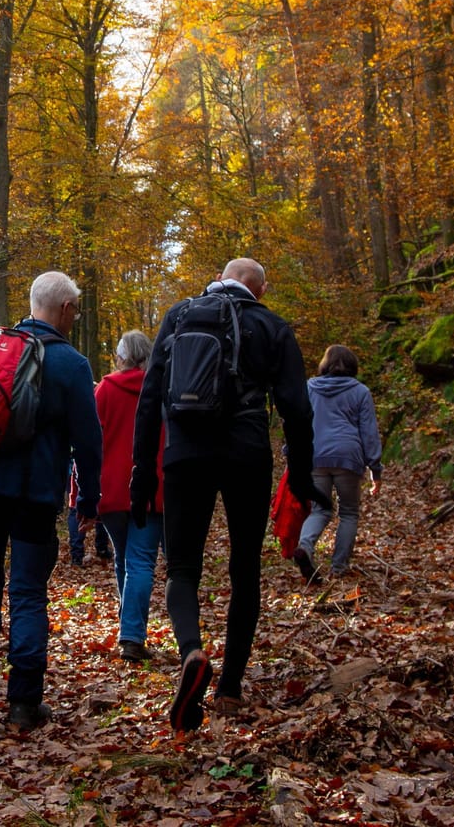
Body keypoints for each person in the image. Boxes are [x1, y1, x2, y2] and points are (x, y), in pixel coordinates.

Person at [133, 258, 314, 733]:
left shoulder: (179, 315)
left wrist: (141, 472)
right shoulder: (272, 324)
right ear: (261, 287)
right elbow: (297, 407)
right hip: (246, 455)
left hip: (184, 454)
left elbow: (150, 398)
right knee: (244, 569)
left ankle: (192, 650)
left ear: (218, 276)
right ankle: (230, 685)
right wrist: (299, 472)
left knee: (182, 567)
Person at [0, 271, 104, 731]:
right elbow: (89, 441)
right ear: (63, 309)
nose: (75, 317)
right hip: (36, 492)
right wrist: (89, 500)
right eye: (75, 309)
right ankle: (23, 701)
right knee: (27, 591)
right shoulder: (72, 364)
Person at [96, 329, 162, 662]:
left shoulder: (105, 390)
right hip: (150, 488)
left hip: (111, 488)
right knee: (140, 562)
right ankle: (132, 633)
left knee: (125, 558)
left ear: (122, 356)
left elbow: (91, 442)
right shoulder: (160, 388)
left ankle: (129, 629)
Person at [295, 345, 382, 582]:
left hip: (315, 456)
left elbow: (298, 421)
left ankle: (305, 547)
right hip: (348, 457)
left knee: (320, 509)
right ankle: (338, 567)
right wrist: (375, 468)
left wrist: (292, 452)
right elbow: (369, 432)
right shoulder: (360, 392)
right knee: (349, 513)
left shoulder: (310, 387)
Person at [67, 470, 112, 567]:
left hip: (73, 467)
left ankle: (77, 555)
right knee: (101, 503)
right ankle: (102, 548)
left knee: (76, 507)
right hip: (99, 467)